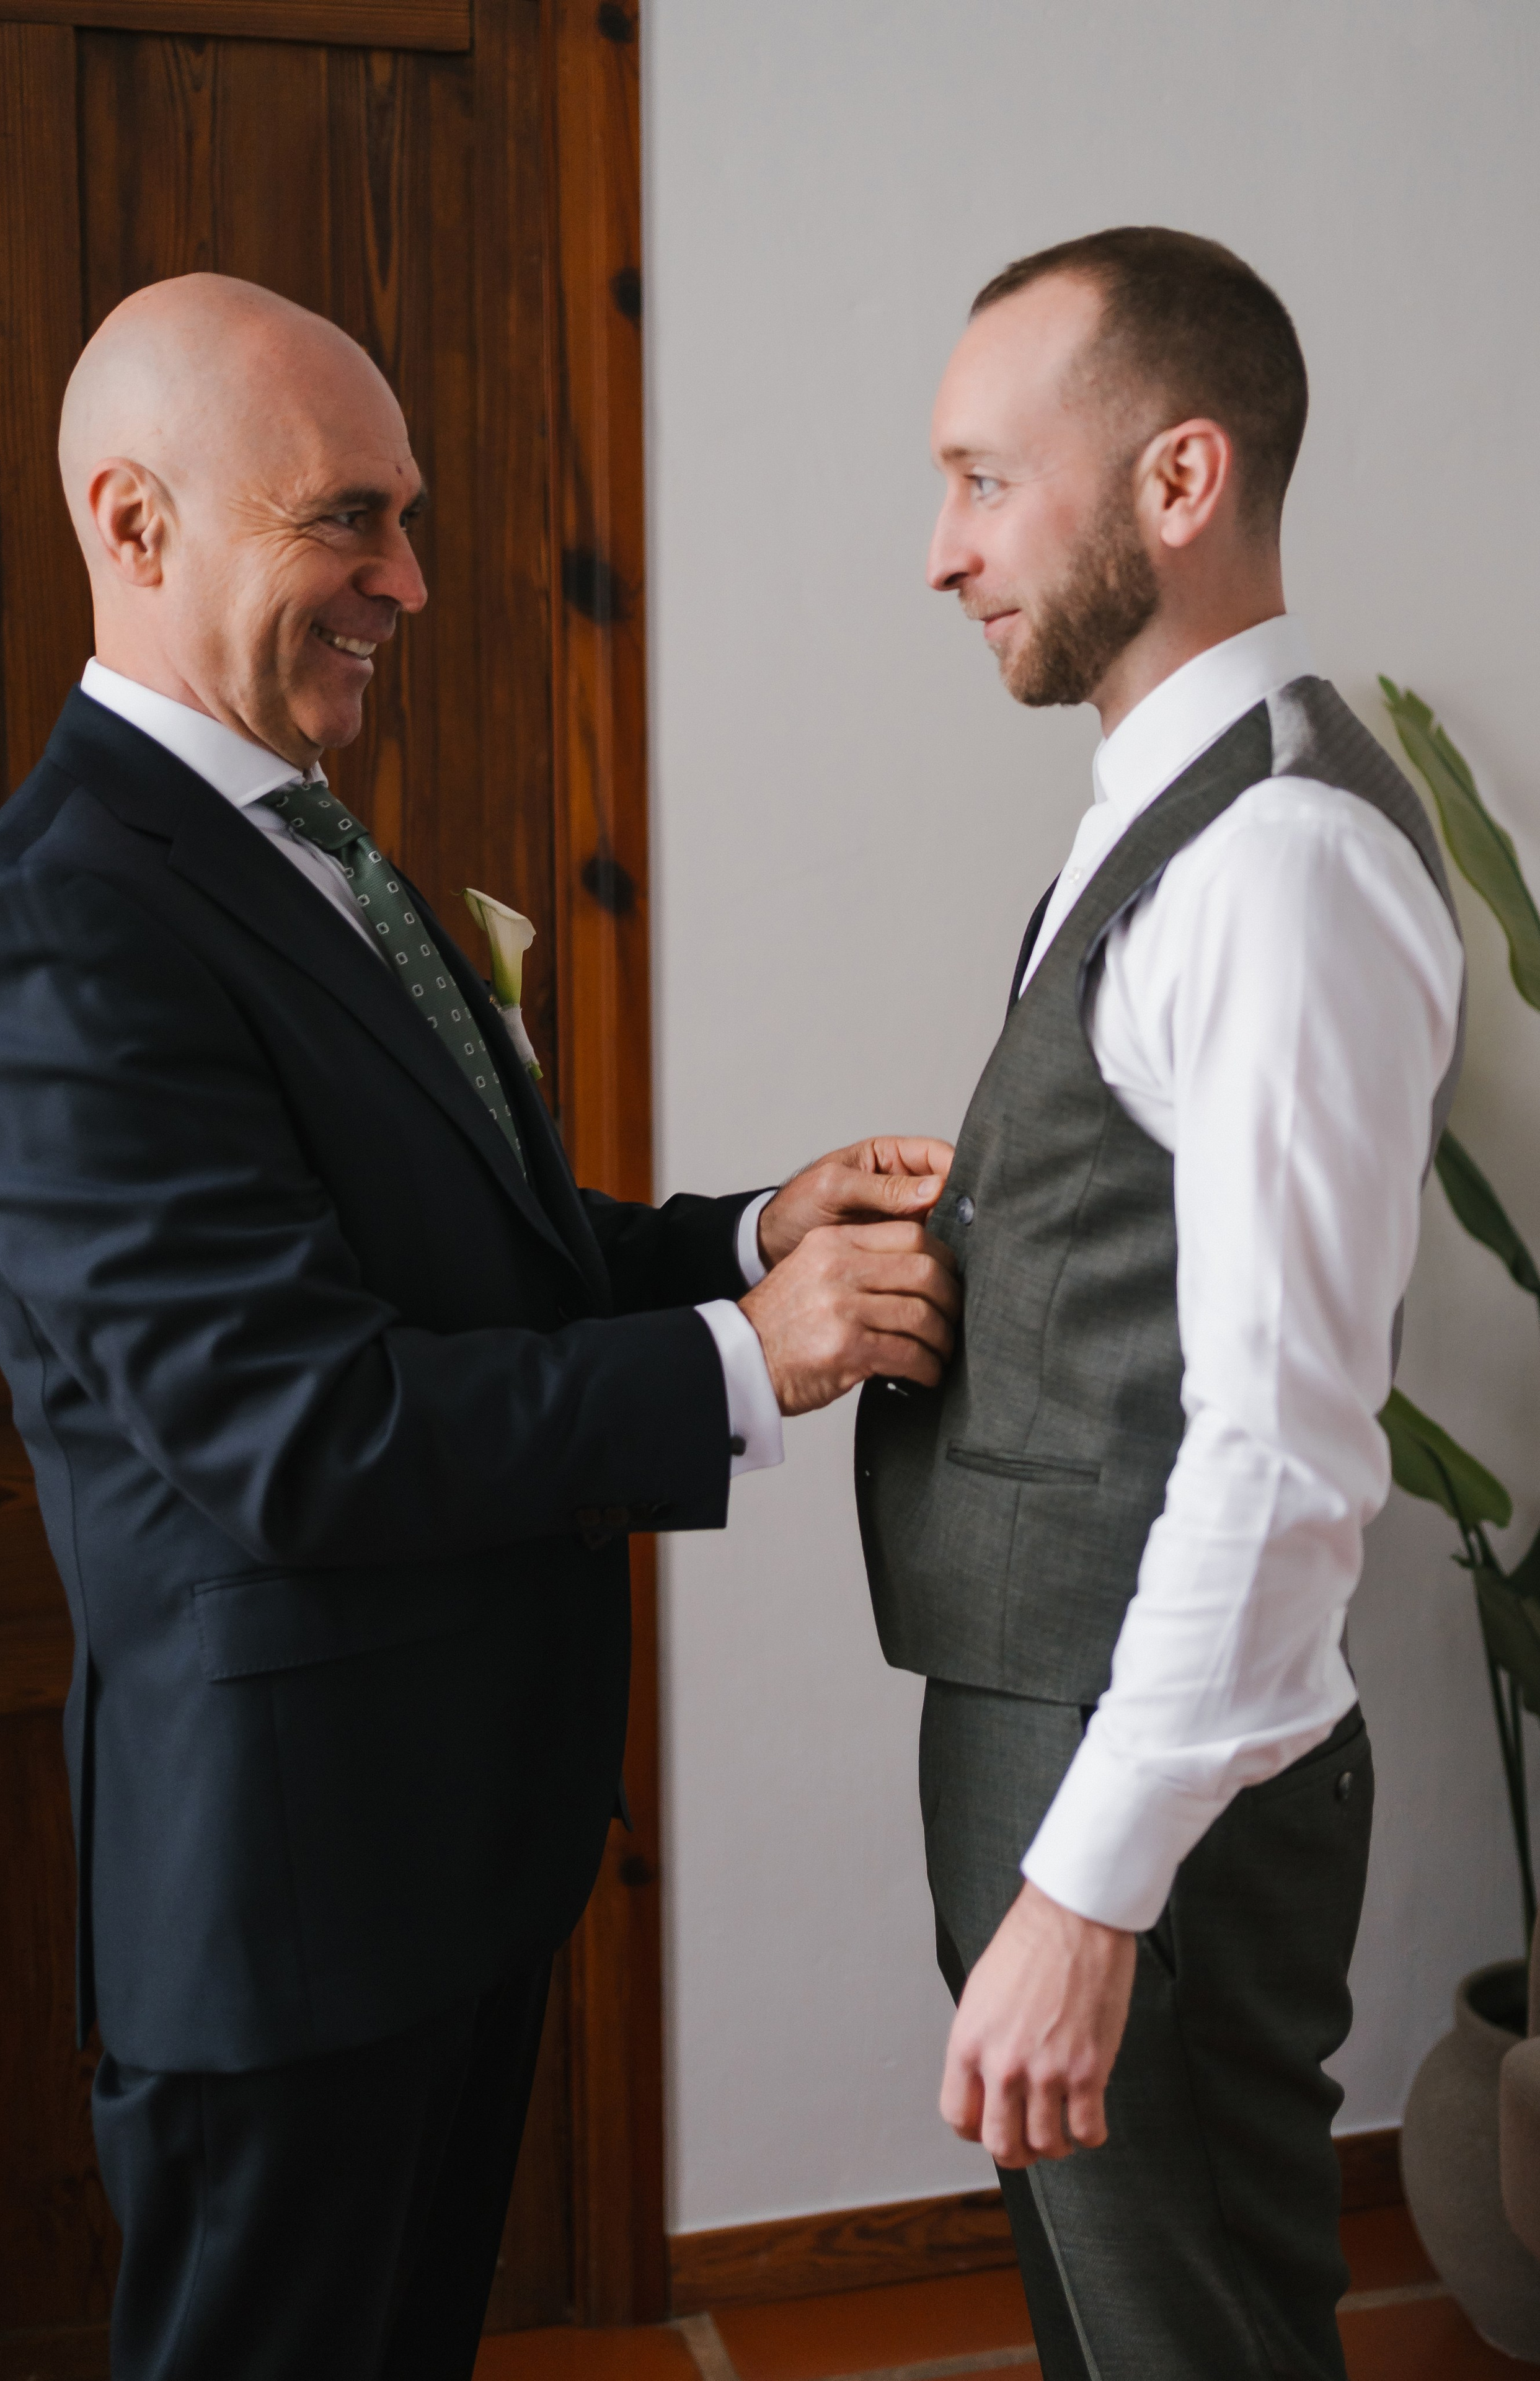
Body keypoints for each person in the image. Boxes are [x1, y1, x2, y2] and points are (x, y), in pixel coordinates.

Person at [0, 273, 961, 2380]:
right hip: (290, 1902)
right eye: (347, 522)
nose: (408, 581)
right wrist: (749, 1358)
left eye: (408, 518)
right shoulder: (56, 922)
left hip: (451, 1852)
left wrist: (743, 1231)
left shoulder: (307, 841)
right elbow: (292, 1433)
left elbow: (467, 1264)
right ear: (134, 528)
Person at [856, 227, 1465, 2379]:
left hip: (1152, 1780)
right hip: (1083, 1724)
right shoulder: (1172, 820)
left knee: (1186, 2342)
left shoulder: (1281, 860)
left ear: (1179, 481)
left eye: (985, 480)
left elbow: (1288, 1444)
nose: (944, 552)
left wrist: (1093, 1885)